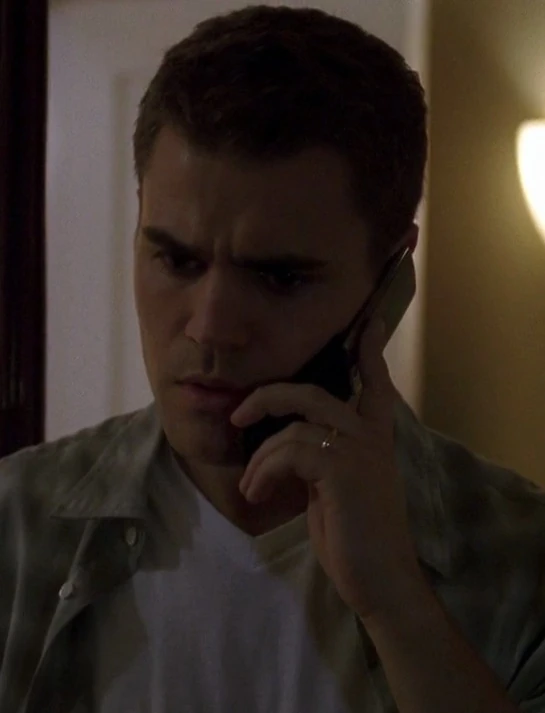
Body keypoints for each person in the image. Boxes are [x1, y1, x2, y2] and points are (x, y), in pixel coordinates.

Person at [1, 4, 544, 712]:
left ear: (390, 280)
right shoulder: (16, 524)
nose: (210, 329)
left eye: (280, 277)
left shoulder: (521, 557)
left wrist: (396, 604)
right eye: (176, 259)